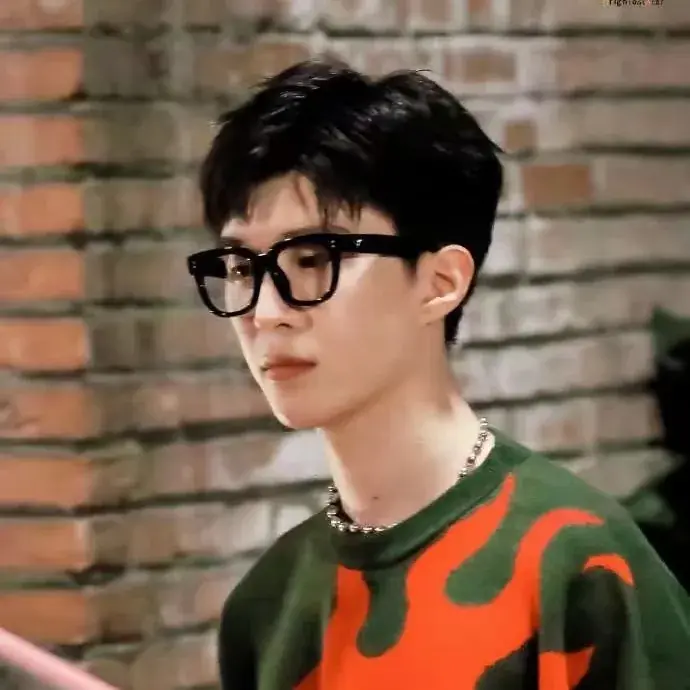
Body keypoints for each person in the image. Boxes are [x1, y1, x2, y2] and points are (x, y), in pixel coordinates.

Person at [187, 58, 690, 690]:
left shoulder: (575, 561)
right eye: (241, 267)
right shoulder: (267, 607)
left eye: (313, 259)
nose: (265, 312)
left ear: (441, 281)